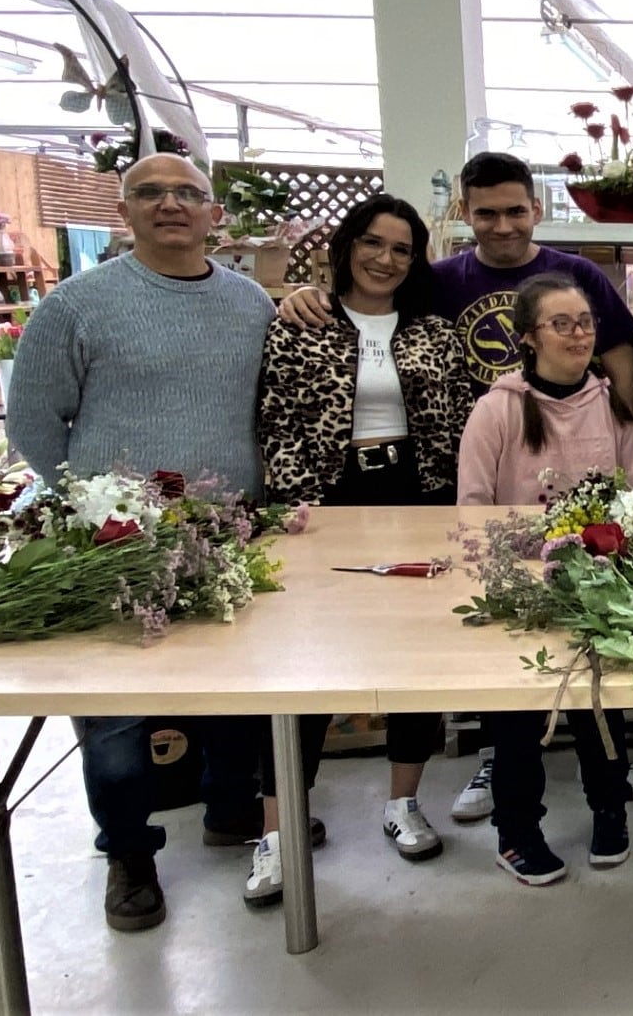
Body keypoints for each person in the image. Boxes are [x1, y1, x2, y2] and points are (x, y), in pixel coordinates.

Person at [279, 152, 633, 815]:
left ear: (536, 208)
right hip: (478, 474)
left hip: (563, 473)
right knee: (485, 632)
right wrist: (305, 293)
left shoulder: (577, 274)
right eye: (486, 211)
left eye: (515, 209)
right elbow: (370, 309)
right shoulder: (438, 281)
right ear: (463, 214)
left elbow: (620, 358)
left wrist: (616, 433)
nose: (502, 223)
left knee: (584, 623)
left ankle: (602, 757)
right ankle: (492, 759)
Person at [6, 152, 282, 932]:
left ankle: (231, 808)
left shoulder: (251, 302)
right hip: (115, 544)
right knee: (118, 713)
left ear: (212, 213)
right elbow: (32, 422)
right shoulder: (76, 305)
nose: (171, 204)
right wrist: (94, 507)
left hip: (227, 530)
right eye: (150, 193)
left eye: (187, 193)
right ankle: (128, 851)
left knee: (237, 692)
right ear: (122, 213)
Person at [257, 194, 472, 871]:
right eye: (373, 243)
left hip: (417, 495)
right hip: (328, 501)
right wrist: (301, 508)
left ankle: (403, 801)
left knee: (414, 659)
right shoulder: (300, 322)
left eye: (401, 248)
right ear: (347, 245)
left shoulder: (434, 331)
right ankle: (278, 829)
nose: (385, 258)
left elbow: (463, 419)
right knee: (306, 666)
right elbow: (276, 421)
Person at [458, 272, 633, 885]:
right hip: (523, 591)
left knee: (600, 706)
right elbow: (473, 507)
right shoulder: (498, 410)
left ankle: (609, 810)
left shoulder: (613, 402)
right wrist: (513, 573)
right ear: (529, 338)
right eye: (560, 323)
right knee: (520, 717)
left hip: (601, 583)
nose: (577, 334)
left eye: (585, 322)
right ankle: (517, 831)